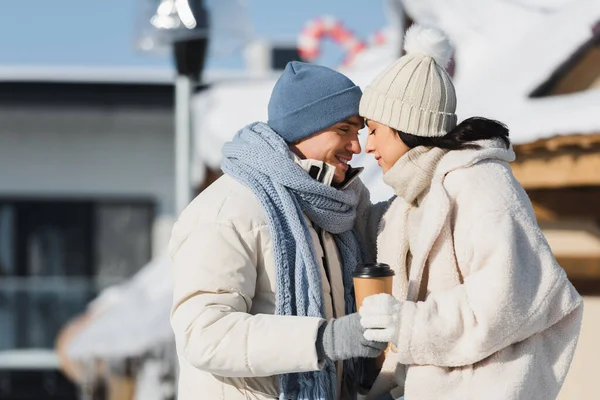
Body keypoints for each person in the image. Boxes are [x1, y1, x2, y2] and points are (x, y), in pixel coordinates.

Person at [356, 25, 583, 400]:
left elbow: (506, 299)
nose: (368, 145)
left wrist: (407, 323)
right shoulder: (411, 200)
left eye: (374, 129)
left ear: (405, 127)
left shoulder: (481, 185)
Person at [169, 61, 386, 400]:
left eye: (358, 132)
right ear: (305, 127)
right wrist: (323, 339)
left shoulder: (327, 209)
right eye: (344, 129)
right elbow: (203, 334)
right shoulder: (229, 209)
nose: (356, 146)